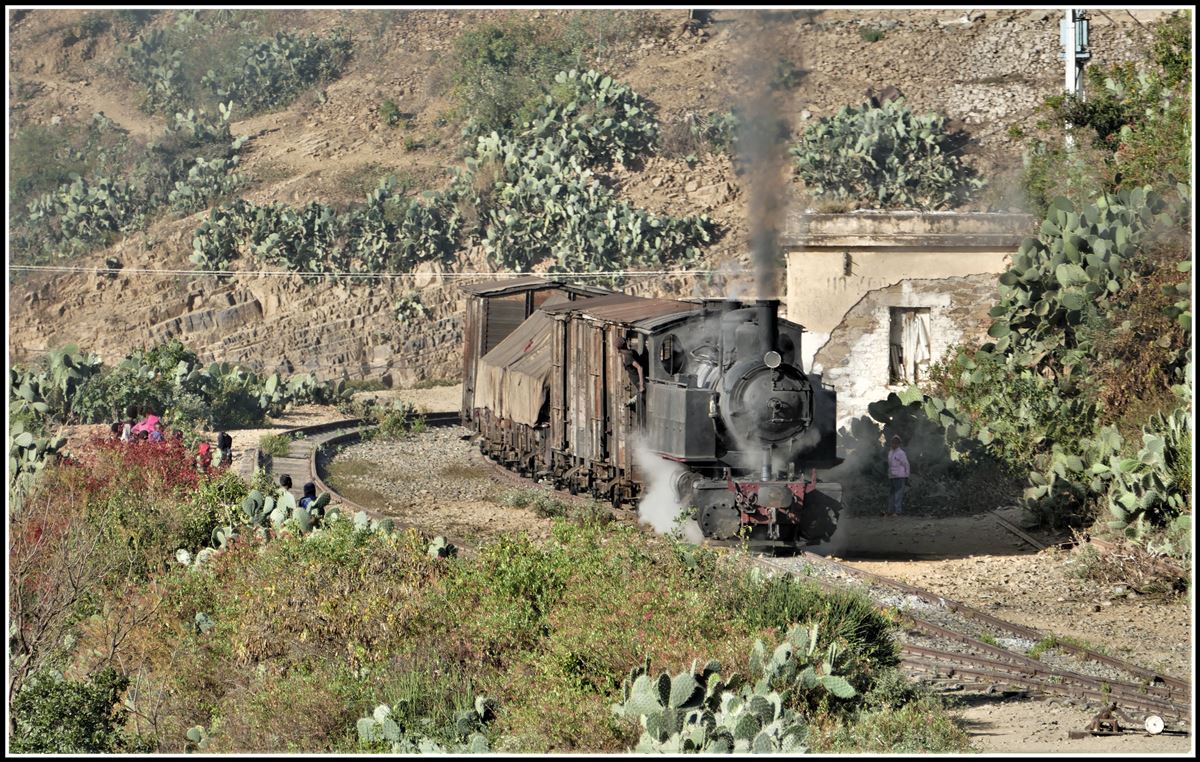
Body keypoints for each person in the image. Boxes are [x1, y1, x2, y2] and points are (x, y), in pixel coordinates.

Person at [615, 335, 645, 407]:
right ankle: (632, 400)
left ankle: (632, 401)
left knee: (644, 397)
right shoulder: (629, 353)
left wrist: (641, 385)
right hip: (636, 379)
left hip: (638, 380)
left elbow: (639, 368)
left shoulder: (627, 356)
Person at [886, 435, 910, 516]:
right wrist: (889, 474)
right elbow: (890, 465)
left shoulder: (901, 453)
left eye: (896, 443)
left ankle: (897, 511)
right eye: (893, 442)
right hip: (892, 476)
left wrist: (906, 475)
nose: (894, 444)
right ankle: (890, 511)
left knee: (898, 495)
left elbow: (906, 464)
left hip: (900, 476)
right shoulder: (890, 452)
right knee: (892, 494)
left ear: (899, 444)